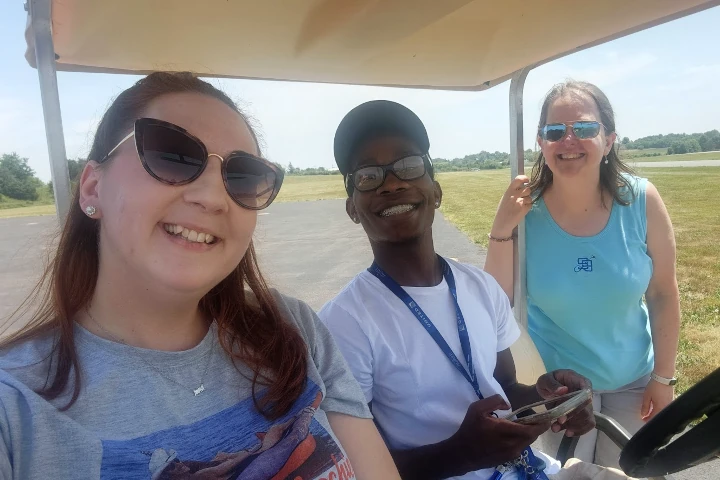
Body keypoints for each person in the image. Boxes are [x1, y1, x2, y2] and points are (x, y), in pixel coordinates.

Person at [0, 72, 400, 480]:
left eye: (243, 176)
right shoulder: (14, 409)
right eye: (171, 155)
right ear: (91, 188)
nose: (212, 197)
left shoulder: (293, 327)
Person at [318, 100, 598, 480]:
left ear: (435, 191)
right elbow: (354, 465)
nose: (393, 183)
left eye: (408, 165)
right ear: (352, 207)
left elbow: (506, 389)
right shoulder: (343, 323)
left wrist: (551, 398)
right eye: (368, 176)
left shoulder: (480, 287)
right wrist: (459, 455)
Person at [484, 80, 680, 468]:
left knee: (625, 474)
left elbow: (662, 293)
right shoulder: (525, 212)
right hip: (557, 390)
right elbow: (496, 300)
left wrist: (663, 378)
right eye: (555, 132)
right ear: (541, 143)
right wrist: (502, 228)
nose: (568, 140)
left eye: (585, 129)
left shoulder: (642, 200)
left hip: (634, 383)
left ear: (608, 140)